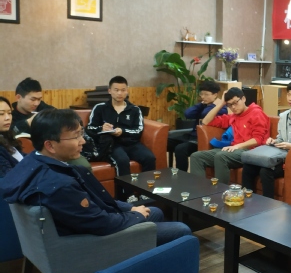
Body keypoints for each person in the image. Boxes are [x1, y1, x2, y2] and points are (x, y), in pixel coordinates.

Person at [0, 109, 191, 245]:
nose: (82, 141)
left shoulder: (32, 160)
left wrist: (130, 208)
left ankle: (147, 256)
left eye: (81, 134)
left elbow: (94, 204)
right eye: (75, 136)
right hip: (93, 242)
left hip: (85, 223)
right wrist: (135, 215)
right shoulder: (59, 185)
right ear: (50, 145)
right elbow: (102, 224)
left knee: (154, 211)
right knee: (181, 230)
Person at [241, 81, 291, 199]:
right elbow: (280, 138)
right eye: (288, 94)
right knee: (248, 166)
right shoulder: (283, 116)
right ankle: (247, 200)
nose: (290, 98)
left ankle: (268, 204)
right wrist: (273, 141)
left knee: (265, 171)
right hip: (279, 155)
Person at [190, 87, 270, 184]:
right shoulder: (233, 117)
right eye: (229, 105)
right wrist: (221, 103)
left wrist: (237, 146)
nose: (233, 107)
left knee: (221, 156)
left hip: (251, 151)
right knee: (196, 157)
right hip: (235, 150)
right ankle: (199, 190)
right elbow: (205, 122)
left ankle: (220, 191)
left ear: (243, 99)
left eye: (235, 103)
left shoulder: (256, 113)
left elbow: (258, 139)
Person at [87, 76, 156, 176]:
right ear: (110, 91)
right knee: (122, 161)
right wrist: (101, 128)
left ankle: (147, 185)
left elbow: (138, 130)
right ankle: (125, 187)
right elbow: (89, 128)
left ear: (127, 91)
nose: (120, 93)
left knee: (149, 158)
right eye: (116, 90)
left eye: (123, 90)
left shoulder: (135, 110)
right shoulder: (99, 108)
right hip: (112, 145)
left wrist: (122, 131)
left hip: (132, 144)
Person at [166, 81, 227, 172]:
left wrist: (214, 104)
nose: (203, 97)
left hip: (202, 140)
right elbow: (187, 114)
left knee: (181, 149)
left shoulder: (221, 108)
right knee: (165, 141)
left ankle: (181, 175)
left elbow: (205, 114)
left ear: (215, 95)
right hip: (192, 136)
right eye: (201, 94)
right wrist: (201, 104)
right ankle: (164, 170)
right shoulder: (203, 105)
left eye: (206, 94)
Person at [0, 96, 23, 177]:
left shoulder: (6, 137)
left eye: (9, 113)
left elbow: (22, 158)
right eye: (1, 114)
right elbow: (9, 178)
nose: (7, 118)